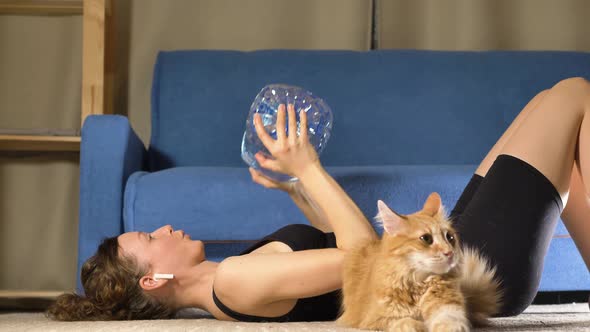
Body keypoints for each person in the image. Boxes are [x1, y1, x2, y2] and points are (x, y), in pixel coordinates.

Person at [47, 77, 590, 321]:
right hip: (467, 277)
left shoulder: (231, 275)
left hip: (437, 258)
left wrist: (297, 190)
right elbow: (363, 264)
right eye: (149, 238)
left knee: (551, 106)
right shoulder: (232, 284)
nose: (163, 229)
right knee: (573, 96)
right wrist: (309, 166)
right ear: (153, 280)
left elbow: (329, 247)